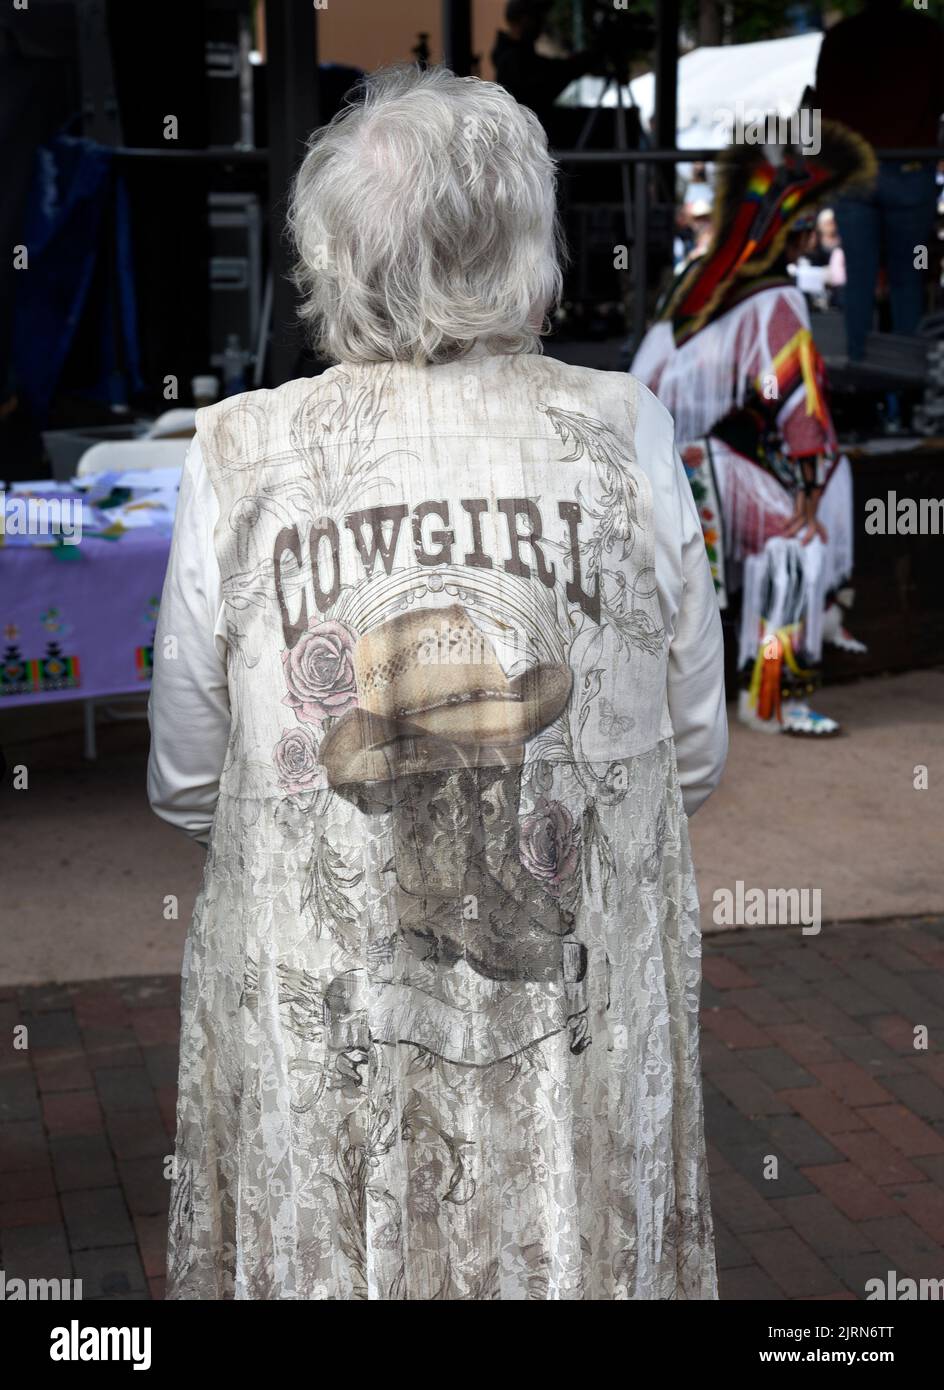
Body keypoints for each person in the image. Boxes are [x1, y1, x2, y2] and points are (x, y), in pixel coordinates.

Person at [148, 63, 727, 1301]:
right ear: (527, 244)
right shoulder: (625, 426)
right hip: (569, 1067)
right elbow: (690, 757)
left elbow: (194, 782)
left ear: (331, 254)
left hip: (328, 1038)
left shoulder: (239, 450)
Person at [632, 123, 875, 739]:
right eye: (801, 235)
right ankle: (774, 698)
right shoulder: (778, 300)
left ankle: (673, 697)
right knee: (802, 545)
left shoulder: (690, 286)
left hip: (654, 466)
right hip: (706, 463)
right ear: (788, 238)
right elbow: (795, 397)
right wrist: (810, 485)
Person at [815, 0, 944, 359]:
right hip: (910, 173)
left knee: (859, 276)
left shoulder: (841, 37)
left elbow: (821, 103)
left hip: (855, 174)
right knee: (910, 275)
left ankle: (858, 365)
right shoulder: (927, 33)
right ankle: (908, 379)